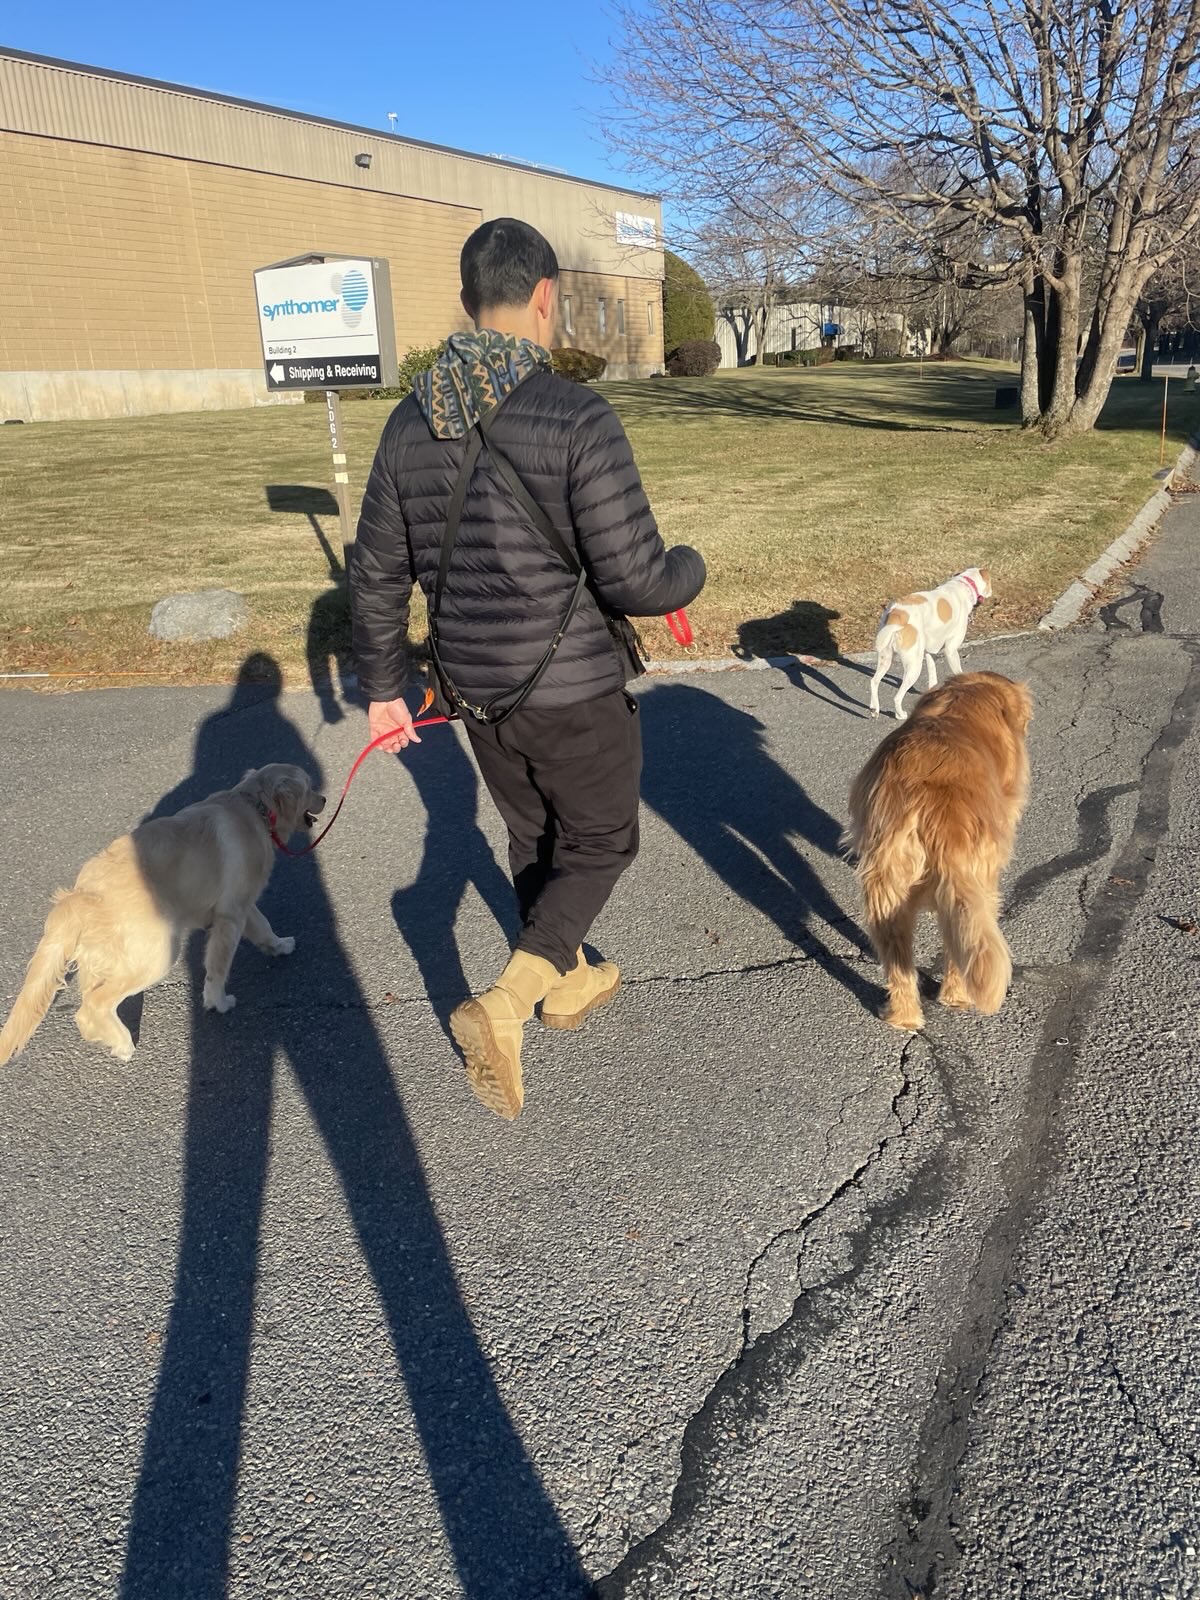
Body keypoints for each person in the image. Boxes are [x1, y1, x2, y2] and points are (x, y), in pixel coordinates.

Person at [350, 217, 705, 1120]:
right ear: (545, 297)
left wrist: (386, 690)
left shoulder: (406, 421)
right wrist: (691, 570)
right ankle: (507, 1001)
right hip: (572, 684)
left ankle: (567, 978)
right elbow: (634, 578)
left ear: (469, 303)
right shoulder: (576, 414)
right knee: (600, 841)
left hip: (475, 690)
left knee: (530, 836)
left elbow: (377, 575)